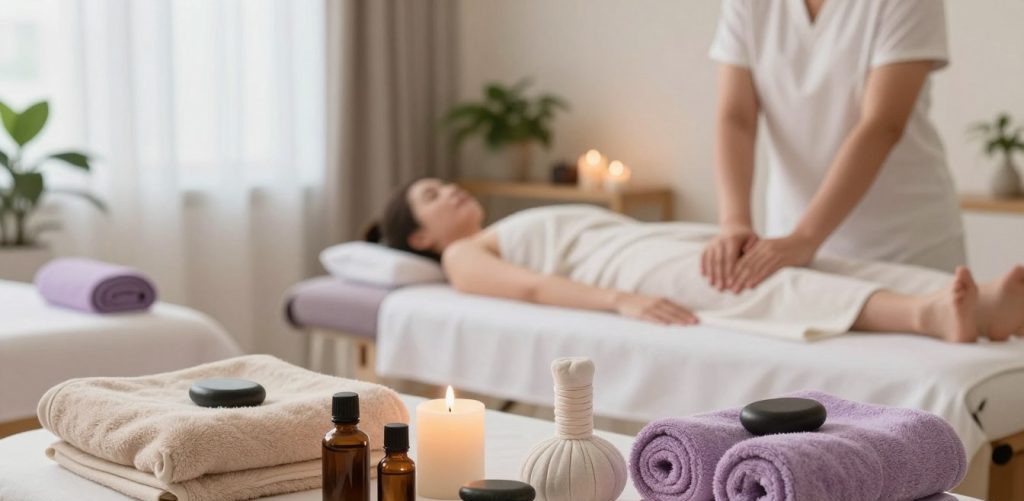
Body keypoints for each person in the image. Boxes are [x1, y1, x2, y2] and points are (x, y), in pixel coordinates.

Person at [367, 178, 1024, 343]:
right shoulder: (461, 255)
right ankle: (929, 314)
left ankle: (978, 299)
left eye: (443, 184)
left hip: (648, 240)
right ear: (419, 238)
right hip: (621, 270)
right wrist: (620, 301)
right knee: (759, 285)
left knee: (787, 259)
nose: (450, 191)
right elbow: (534, 289)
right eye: (432, 197)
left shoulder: (497, 226)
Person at [703, 0, 965, 294]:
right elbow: (736, 117)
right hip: (788, 248)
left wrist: (806, 238)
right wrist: (734, 222)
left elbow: (882, 125)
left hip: (903, 246)